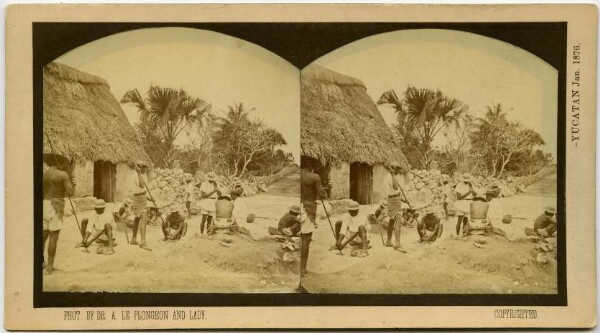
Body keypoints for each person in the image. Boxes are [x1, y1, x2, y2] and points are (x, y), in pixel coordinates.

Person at [42, 159, 74, 274]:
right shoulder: (62, 174)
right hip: (55, 206)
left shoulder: (44, 174)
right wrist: (69, 180)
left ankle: (41, 263)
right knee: (53, 237)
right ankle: (50, 267)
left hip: (44, 204)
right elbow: (70, 192)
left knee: (43, 235)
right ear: (59, 163)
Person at [300, 158, 327, 277]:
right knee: (306, 240)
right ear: (309, 164)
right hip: (308, 208)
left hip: (297, 207)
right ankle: (301, 269)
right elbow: (322, 194)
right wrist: (326, 190)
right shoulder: (314, 177)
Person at [384, 166, 407, 252]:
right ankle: (397, 243)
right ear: (393, 169)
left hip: (395, 199)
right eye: (397, 169)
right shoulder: (390, 177)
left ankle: (388, 241)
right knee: (398, 220)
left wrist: (403, 199)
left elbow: (396, 191)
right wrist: (393, 174)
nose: (399, 171)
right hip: (393, 200)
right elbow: (395, 187)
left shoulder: (392, 176)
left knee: (391, 221)